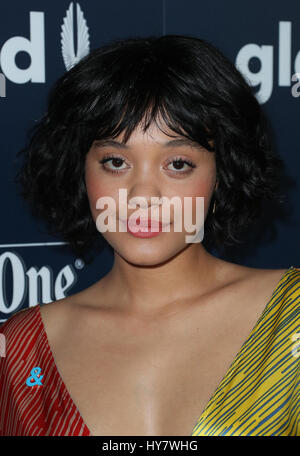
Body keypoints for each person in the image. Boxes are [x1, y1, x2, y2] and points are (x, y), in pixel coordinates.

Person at [0, 35, 299, 437]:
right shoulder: (21, 350)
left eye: (177, 163)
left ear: (220, 172)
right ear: (81, 171)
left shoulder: (291, 319)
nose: (142, 196)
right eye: (116, 161)